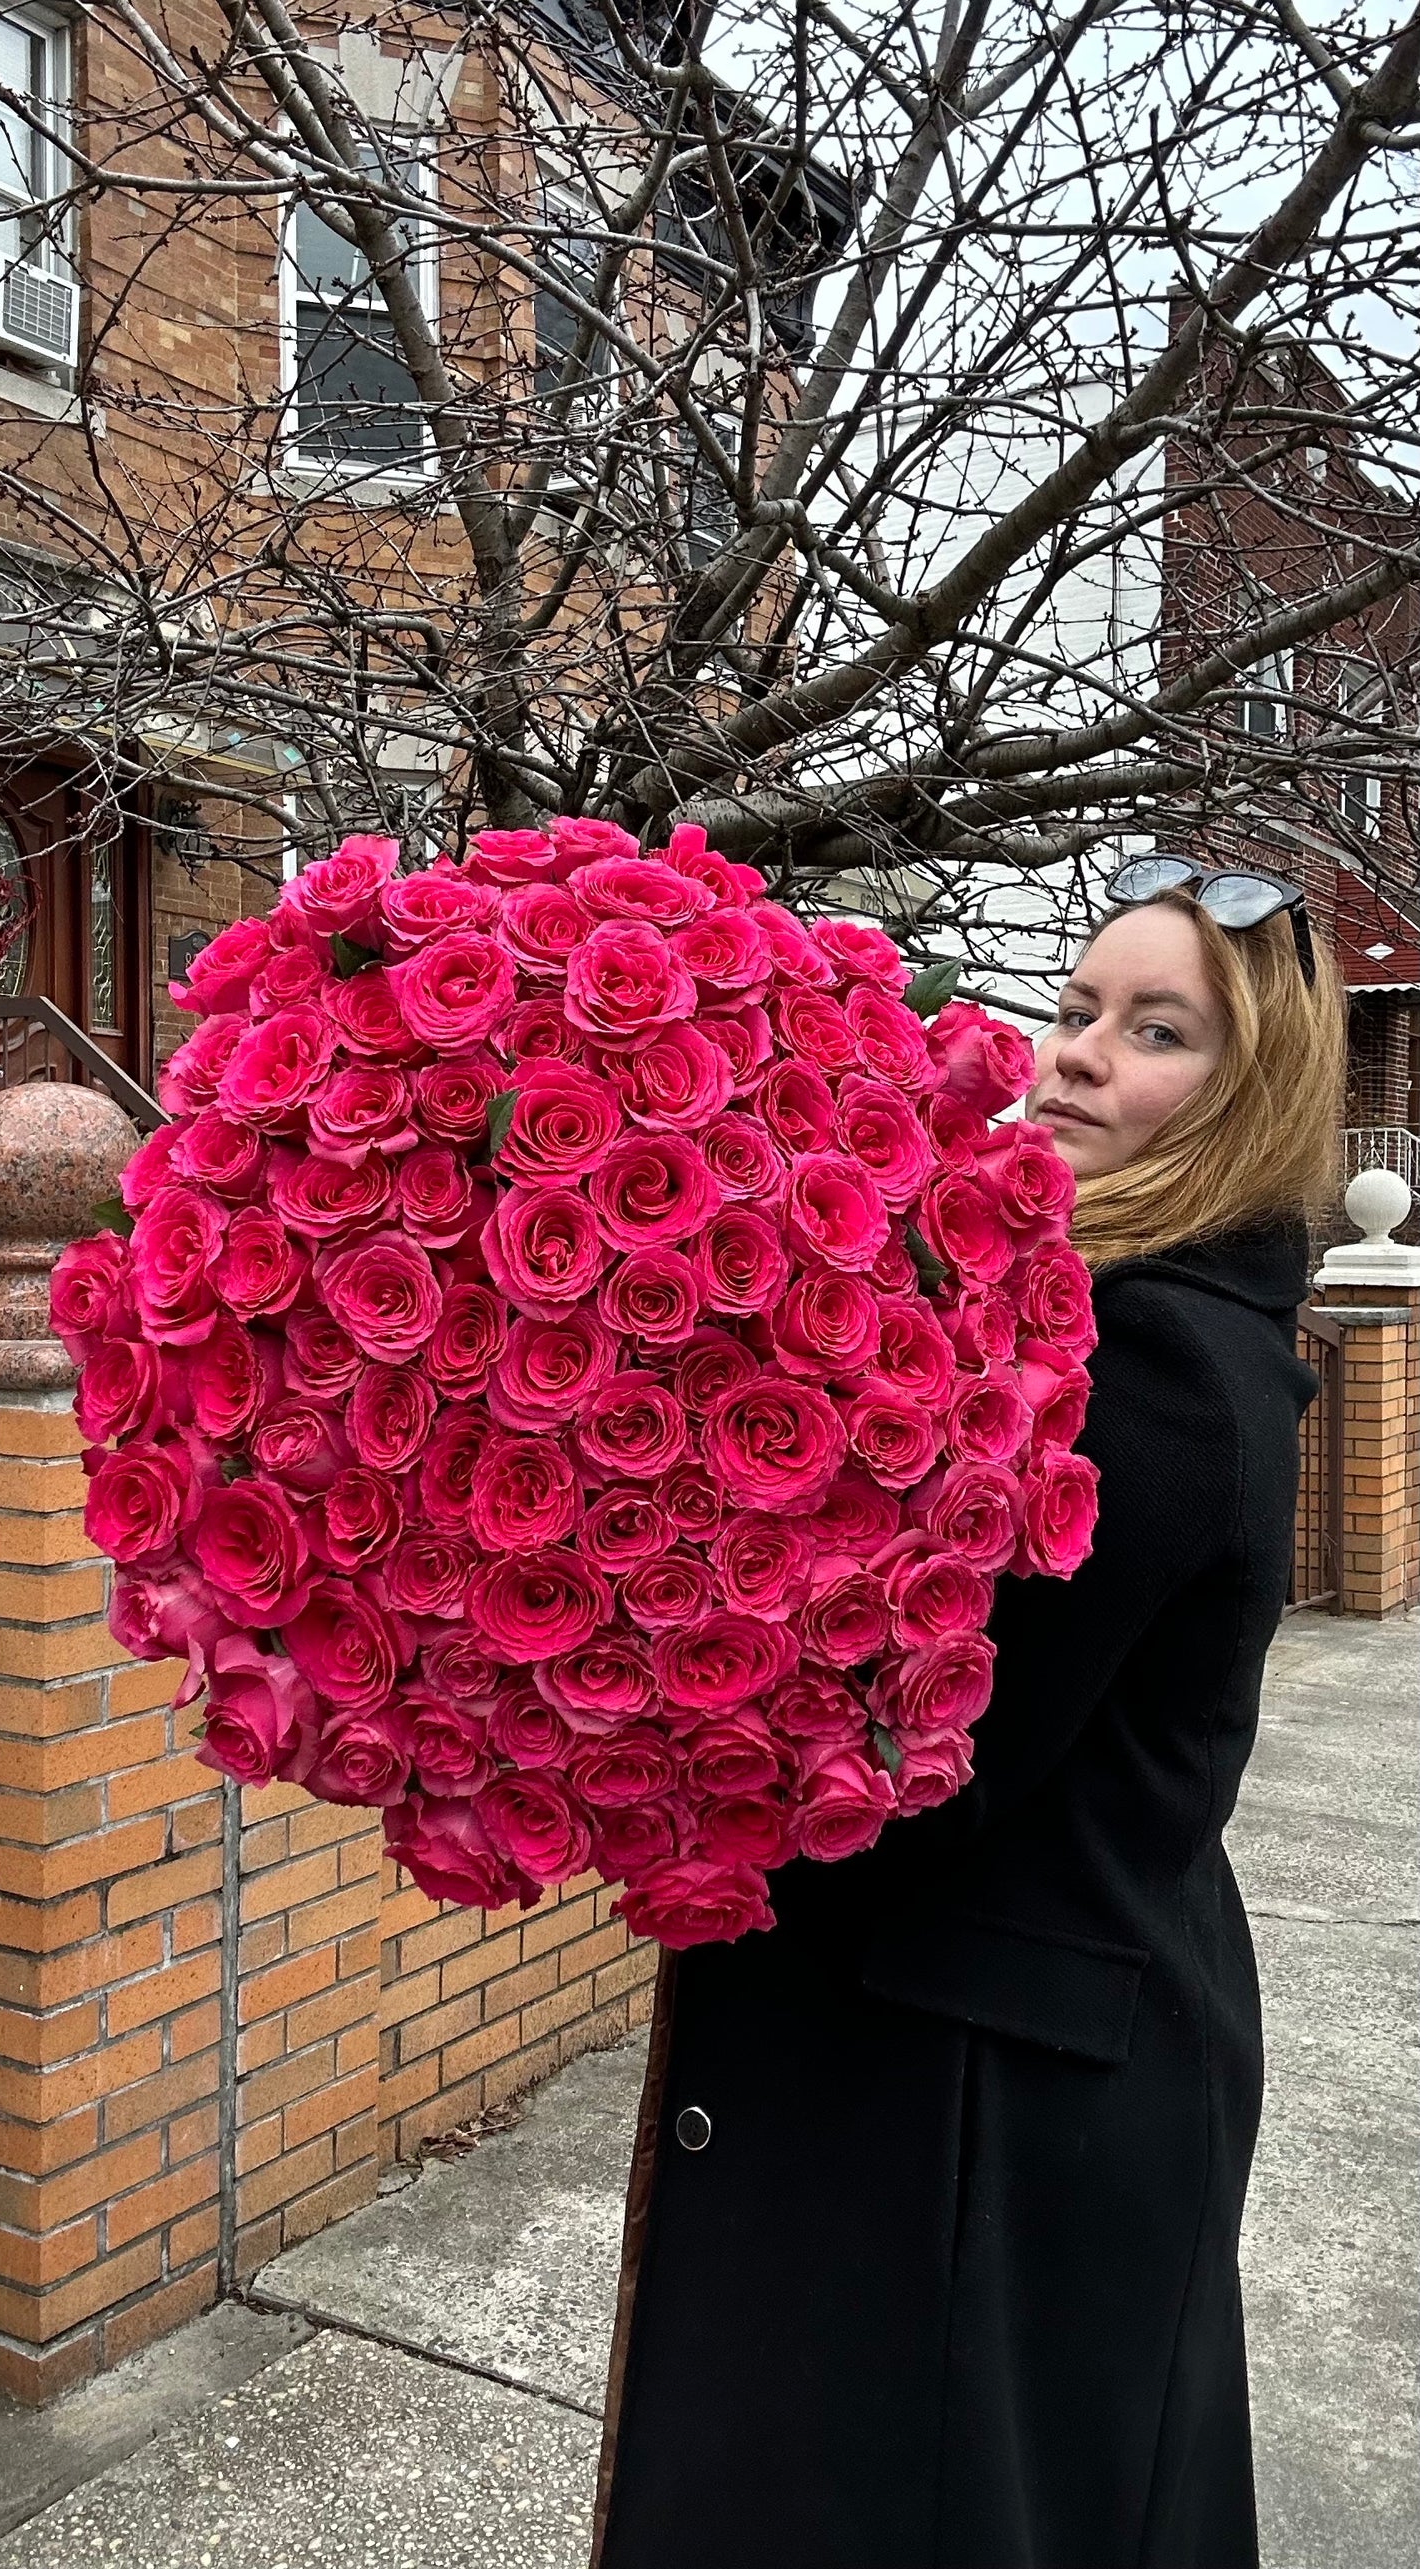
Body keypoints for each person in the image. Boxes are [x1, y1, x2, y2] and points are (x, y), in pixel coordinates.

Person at [590, 861, 1346, 2569]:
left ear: (1254, 1091)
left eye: (1156, 1032)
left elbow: (933, 1764)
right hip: (1030, 2036)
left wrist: (633, 1709)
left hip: (984, 2088)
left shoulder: (1151, 1358)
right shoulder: (1102, 1305)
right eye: (1074, 1009)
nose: (1075, 1055)